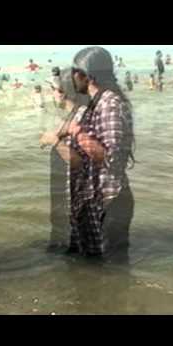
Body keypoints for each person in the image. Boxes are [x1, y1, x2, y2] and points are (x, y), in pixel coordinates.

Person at [67, 46, 135, 259]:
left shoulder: (110, 103)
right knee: (97, 274)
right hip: (96, 201)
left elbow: (111, 159)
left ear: (87, 75)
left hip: (109, 201)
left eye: (74, 71)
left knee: (113, 277)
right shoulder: (95, 103)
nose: (72, 77)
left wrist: (78, 133)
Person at [39, 68, 90, 250]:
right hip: (68, 192)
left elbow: (80, 162)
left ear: (61, 92)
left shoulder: (82, 115)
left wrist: (54, 141)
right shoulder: (72, 114)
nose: (52, 94)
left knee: (76, 243)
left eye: (53, 89)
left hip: (75, 192)